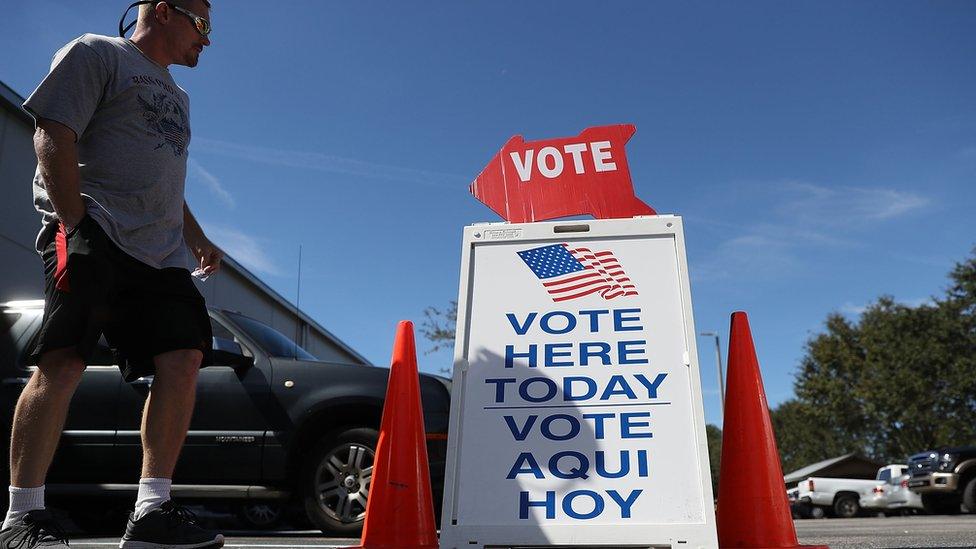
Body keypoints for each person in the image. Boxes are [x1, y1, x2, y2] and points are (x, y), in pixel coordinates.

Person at [1, 1, 225, 547]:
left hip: (160, 251)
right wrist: (75, 222)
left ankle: (151, 510)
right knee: (65, 361)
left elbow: (163, 176)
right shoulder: (97, 53)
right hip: (94, 226)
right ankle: (22, 515)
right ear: (166, 12)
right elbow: (53, 130)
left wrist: (194, 235)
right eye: (203, 25)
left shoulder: (179, 96)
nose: (208, 40)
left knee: (184, 357)